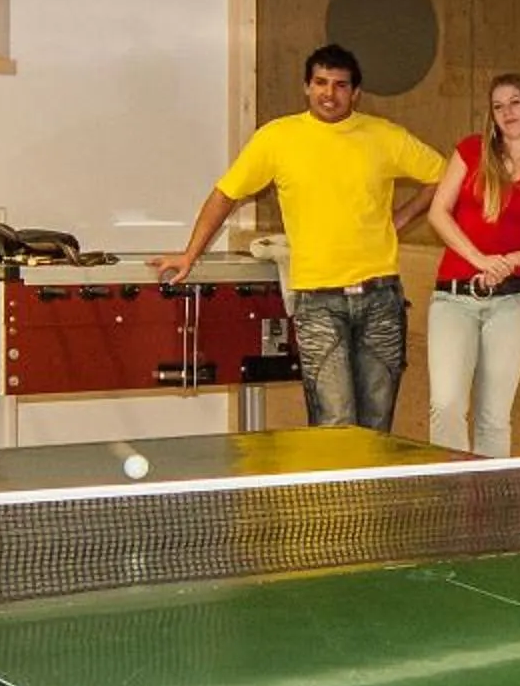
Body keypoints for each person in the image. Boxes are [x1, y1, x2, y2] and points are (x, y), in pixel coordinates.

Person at [156, 44, 444, 431]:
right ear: (306, 87)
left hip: (381, 299)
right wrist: (190, 254)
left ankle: (369, 494)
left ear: (355, 93)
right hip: (317, 302)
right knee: (334, 423)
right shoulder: (277, 138)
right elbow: (226, 194)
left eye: (340, 85)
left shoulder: (385, 136)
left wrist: (403, 216)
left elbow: (443, 175)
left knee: (377, 427)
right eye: (321, 82)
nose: (330, 93)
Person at [421, 74, 520, 455]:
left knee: (493, 416)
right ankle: (450, 499)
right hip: (454, 297)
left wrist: (511, 262)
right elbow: (438, 213)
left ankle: (488, 506)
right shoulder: (471, 151)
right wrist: (478, 259)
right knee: (446, 405)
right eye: (498, 105)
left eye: (516, 102)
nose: (508, 112)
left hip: (514, 303)